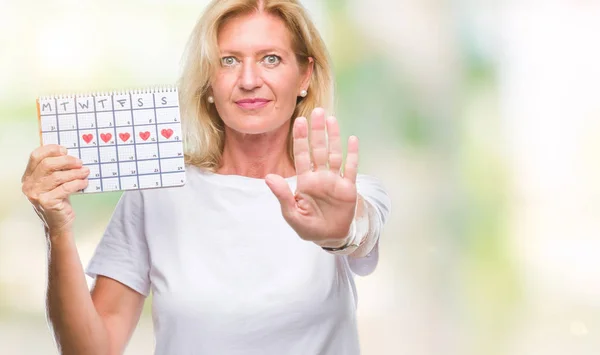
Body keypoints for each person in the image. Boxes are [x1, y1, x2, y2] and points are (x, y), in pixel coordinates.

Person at [21, 0, 391, 354]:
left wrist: (342, 233)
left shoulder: (344, 195)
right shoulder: (156, 194)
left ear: (305, 75)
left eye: (271, 59)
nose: (248, 80)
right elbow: (89, 350)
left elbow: (361, 228)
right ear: (209, 81)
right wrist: (57, 228)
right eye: (228, 61)